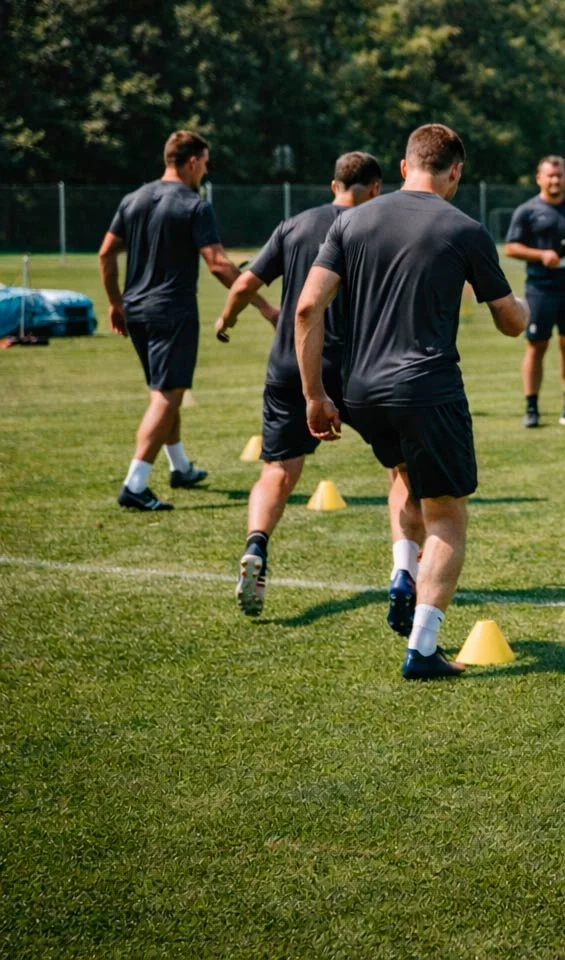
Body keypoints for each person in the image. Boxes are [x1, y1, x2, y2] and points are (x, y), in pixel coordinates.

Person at [296, 123, 529, 678]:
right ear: (455, 172)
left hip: (361, 391)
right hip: (426, 386)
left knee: (402, 474)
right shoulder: (465, 228)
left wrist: (313, 395)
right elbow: (509, 323)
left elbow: (307, 308)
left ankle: (403, 569)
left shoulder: (349, 221)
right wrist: (523, 305)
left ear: (403, 168)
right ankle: (422, 647)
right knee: (447, 513)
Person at [215, 152, 406, 621]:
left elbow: (243, 285)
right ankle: (404, 572)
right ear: (375, 188)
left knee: (277, 470)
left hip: (291, 367)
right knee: (401, 469)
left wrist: (227, 317)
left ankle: (256, 544)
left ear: (333, 184)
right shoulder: (377, 227)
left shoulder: (294, 225)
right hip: (362, 368)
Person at [99, 130, 276, 511]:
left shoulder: (134, 199)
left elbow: (105, 254)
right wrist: (262, 305)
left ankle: (180, 466)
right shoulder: (194, 204)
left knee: (164, 390)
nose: (206, 171)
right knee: (168, 396)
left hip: (137, 310)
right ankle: (135, 482)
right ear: (192, 161)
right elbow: (216, 262)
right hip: (171, 311)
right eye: (205, 163)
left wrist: (115, 303)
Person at [504, 156, 565, 427]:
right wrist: (541, 254)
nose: (555, 180)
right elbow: (511, 247)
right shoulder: (527, 211)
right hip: (540, 289)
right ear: (539, 178)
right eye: (550, 176)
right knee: (537, 346)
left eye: (559, 175)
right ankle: (531, 408)